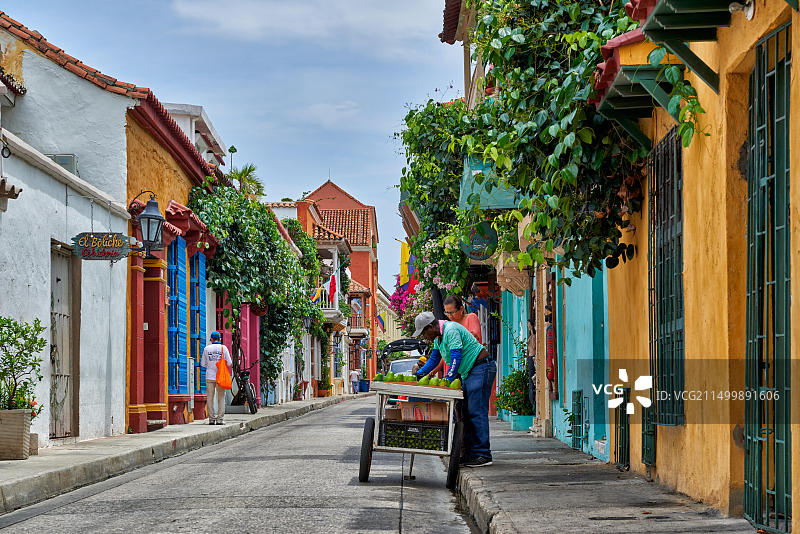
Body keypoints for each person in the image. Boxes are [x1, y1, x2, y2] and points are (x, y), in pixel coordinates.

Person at [412, 311, 496, 467]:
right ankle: (471, 454)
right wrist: (419, 375)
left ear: (431, 326)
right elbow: (434, 359)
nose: (424, 337)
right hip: (470, 372)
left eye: (424, 333)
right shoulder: (439, 338)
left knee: (476, 412)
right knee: (465, 413)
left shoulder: (451, 330)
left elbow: (456, 357)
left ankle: (484, 454)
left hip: (481, 368)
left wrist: (448, 380)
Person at [201, 331, 232, 425]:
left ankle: (211, 419)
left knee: (210, 398)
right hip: (221, 377)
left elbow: (203, 364)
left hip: (209, 376)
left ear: (211, 339)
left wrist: (211, 364)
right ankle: (220, 419)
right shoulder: (223, 348)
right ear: (220, 339)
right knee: (221, 398)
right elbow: (230, 363)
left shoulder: (207, 349)